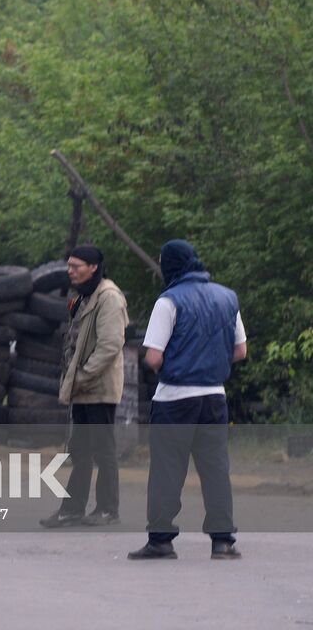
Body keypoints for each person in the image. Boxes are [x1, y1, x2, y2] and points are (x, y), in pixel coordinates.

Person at [129, 240, 246, 561]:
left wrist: (177, 364)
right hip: (214, 397)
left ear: (170, 265)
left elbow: (153, 357)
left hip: (175, 399)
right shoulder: (227, 297)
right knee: (216, 468)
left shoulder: (168, 301)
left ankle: (161, 541)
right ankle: (222, 541)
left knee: (167, 469)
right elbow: (240, 351)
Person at [40, 245, 128, 528]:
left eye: (76, 266)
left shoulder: (109, 298)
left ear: (93, 267)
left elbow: (110, 345)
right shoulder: (84, 298)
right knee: (80, 449)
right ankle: (73, 508)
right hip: (83, 387)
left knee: (103, 449)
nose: (70, 271)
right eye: (69, 266)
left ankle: (107, 509)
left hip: (99, 388)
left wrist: (83, 376)